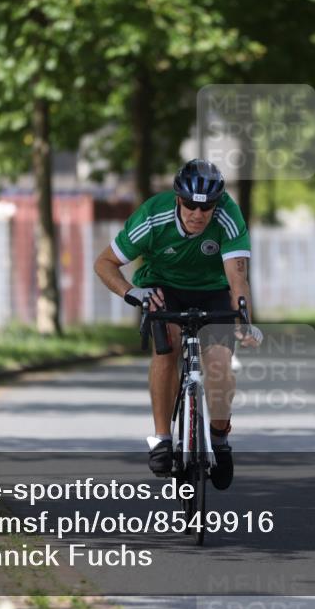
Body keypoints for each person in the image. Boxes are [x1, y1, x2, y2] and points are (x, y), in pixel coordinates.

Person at [93, 159, 261, 490]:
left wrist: (243, 321)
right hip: (162, 287)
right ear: (177, 199)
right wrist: (133, 294)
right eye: (190, 205)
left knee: (219, 362)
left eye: (207, 207)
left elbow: (238, 280)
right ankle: (161, 438)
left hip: (214, 289)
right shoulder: (152, 215)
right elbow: (104, 263)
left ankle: (220, 436)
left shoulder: (229, 215)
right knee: (166, 347)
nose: (198, 214)